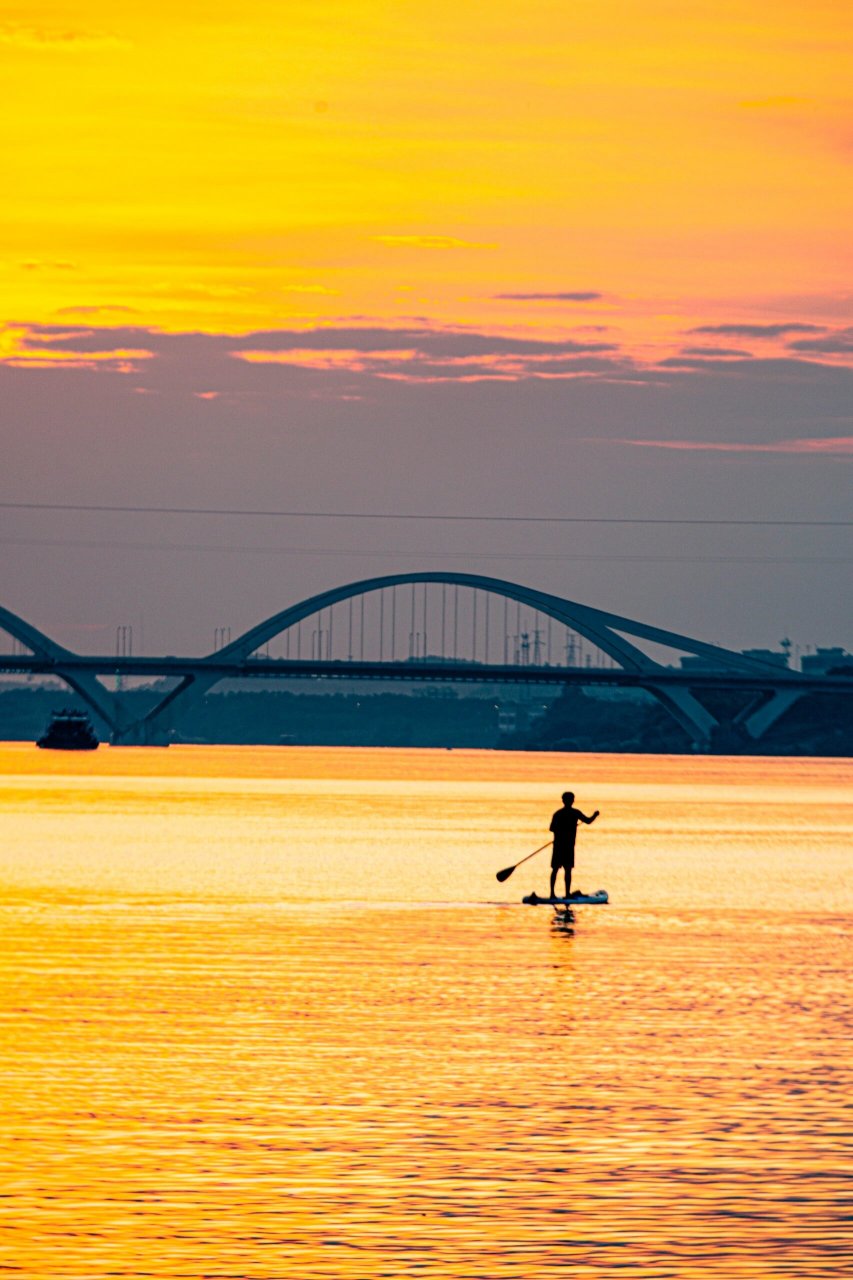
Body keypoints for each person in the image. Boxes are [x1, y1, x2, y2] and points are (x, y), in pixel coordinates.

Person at [549, 791, 599, 899]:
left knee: (556, 869)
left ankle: (553, 894)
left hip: (559, 846)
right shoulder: (574, 813)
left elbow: (552, 828)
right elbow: (589, 821)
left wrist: (561, 830)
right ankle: (565, 894)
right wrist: (595, 815)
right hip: (566, 847)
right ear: (571, 801)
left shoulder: (558, 813)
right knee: (566, 870)